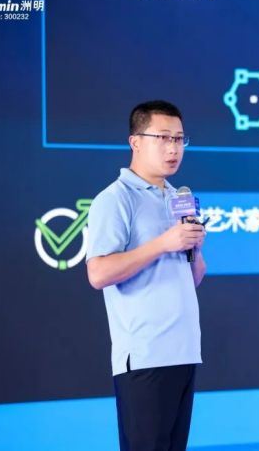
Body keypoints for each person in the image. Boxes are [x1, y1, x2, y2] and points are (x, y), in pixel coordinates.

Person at [86, 100, 207, 451]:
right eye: (163, 137)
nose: (173, 148)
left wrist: (195, 249)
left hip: (184, 351)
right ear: (136, 142)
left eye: (180, 139)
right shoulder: (115, 199)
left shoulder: (178, 198)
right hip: (145, 355)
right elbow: (98, 273)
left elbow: (193, 277)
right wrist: (163, 243)